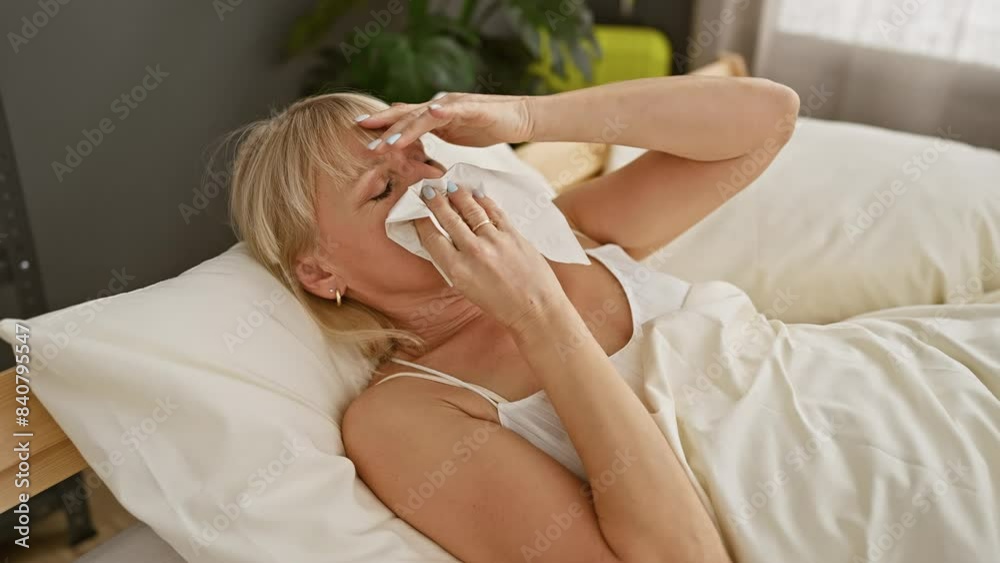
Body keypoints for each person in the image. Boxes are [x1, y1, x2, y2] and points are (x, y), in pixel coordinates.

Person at [226, 77, 999, 562]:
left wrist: (526, 115)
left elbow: (768, 116)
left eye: (421, 159)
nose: (429, 187)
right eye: (380, 191)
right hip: (855, 500)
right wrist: (538, 314)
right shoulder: (405, 416)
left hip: (902, 390)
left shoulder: (567, 232)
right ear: (320, 272)